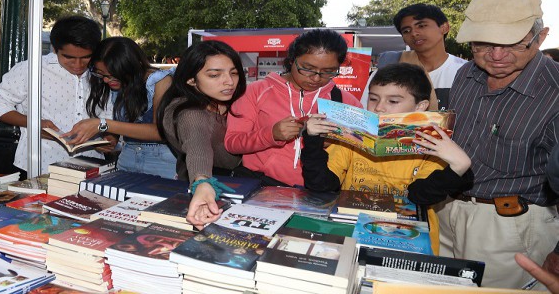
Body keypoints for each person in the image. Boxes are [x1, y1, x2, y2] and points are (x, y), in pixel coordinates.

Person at [435, 0, 559, 289]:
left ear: (540, 38)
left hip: (511, 229)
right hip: (447, 213)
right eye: (484, 44)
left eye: (514, 44)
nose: (497, 55)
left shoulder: (554, 91)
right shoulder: (466, 74)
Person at [301, 63, 473, 254]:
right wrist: (312, 140)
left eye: (393, 101)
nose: (379, 108)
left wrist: (458, 168)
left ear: (420, 106)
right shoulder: (352, 140)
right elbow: (322, 185)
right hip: (350, 232)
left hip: (408, 241)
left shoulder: (430, 146)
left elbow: (420, 196)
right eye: (373, 99)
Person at [224, 29, 361, 187]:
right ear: (291, 60)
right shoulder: (255, 91)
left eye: (328, 72)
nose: (316, 78)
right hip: (262, 186)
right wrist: (271, 135)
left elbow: (358, 149)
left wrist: (333, 142)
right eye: (307, 68)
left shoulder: (346, 102)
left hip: (318, 192)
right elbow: (232, 143)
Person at [0, 16, 113, 175]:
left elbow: (108, 115)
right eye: (69, 57)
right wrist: (35, 124)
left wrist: (109, 137)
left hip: (92, 163)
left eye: (86, 57)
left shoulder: (101, 72)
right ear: (55, 49)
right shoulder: (31, 69)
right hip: (40, 165)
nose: (78, 65)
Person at [156, 41, 247, 229]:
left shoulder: (235, 100)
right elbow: (198, 145)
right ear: (190, 79)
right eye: (214, 75)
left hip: (246, 187)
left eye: (234, 72)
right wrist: (202, 182)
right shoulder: (190, 112)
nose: (229, 81)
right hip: (212, 192)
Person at [65, 37, 176, 179]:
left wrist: (104, 125)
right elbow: (127, 126)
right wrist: (110, 139)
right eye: (101, 74)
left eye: (113, 76)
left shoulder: (161, 81)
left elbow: (160, 131)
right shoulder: (116, 86)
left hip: (162, 162)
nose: (105, 80)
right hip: (127, 158)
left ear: (131, 67)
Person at [362, 4, 467, 111]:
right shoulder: (389, 68)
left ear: (444, 28)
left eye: (421, 26)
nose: (414, 33)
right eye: (406, 31)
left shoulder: (466, 72)